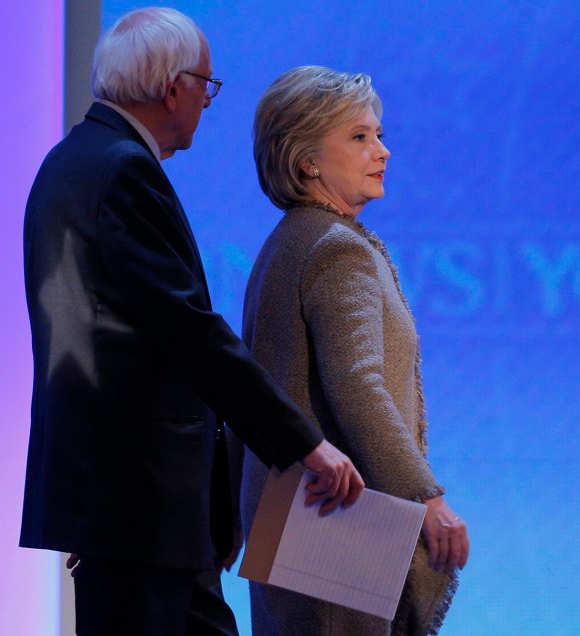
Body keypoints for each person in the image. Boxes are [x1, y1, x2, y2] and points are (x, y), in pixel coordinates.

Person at [19, 11, 364, 635]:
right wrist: (303, 444)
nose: (208, 101)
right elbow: (187, 331)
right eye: (207, 84)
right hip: (143, 501)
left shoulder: (70, 160)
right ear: (173, 86)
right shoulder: (124, 170)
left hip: (115, 498)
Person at [230, 65, 470, 635]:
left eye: (379, 134)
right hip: (334, 524)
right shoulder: (337, 250)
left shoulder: (285, 243)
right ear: (308, 160)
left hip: (285, 522)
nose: (382, 151)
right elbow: (359, 386)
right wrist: (426, 499)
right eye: (359, 137)